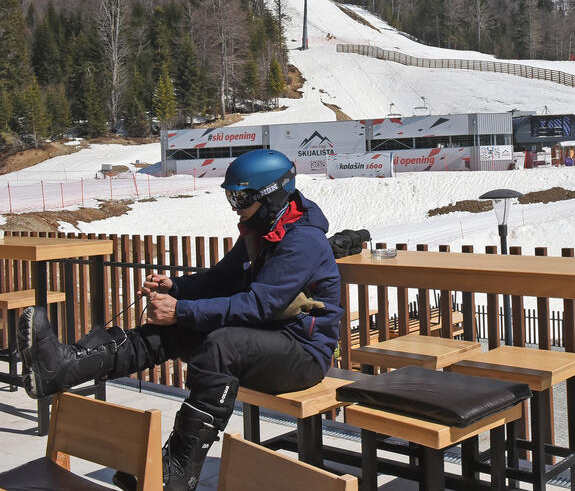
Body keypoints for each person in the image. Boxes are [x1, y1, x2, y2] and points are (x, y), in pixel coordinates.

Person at [18, 149, 342, 491]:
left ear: (271, 194)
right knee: (171, 330)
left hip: (303, 353)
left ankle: (177, 470)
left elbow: (259, 304)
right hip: (264, 339)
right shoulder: (262, 229)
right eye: (231, 197)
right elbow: (221, 279)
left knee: (220, 345)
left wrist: (181, 309)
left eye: (242, 198)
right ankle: (62, 367)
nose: (235, 207)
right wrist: (177, 287)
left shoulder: (302, 240)